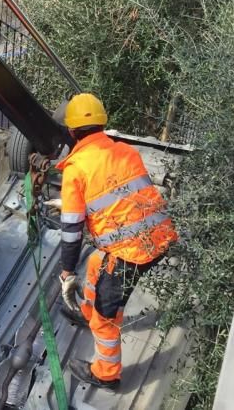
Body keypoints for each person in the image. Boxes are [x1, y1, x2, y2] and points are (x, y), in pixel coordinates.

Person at [52, 93, 179, 390]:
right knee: (97, 261)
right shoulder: (126, 151)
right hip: (157, 236)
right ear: (102, 124)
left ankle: (106, 374)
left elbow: (72, 230)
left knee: (106, 318)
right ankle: (86, 312)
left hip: (129, 252)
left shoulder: (76, 169)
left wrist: (67, 272)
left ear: (71, 132)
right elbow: (118, 193)